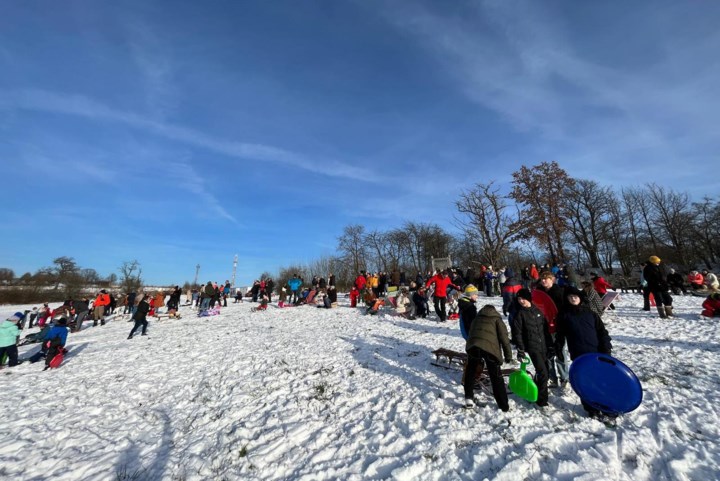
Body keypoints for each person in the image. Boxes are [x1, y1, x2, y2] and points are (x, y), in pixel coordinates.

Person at [555, 286, 612, 419]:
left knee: (600, 380)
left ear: (580, 297)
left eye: (575, 296)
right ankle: (591, 408)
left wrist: (606, 347)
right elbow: (560, 335)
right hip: (579, 354)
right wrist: (558, 348)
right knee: (585, 382)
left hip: (596, 352)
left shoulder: (590, 313)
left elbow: (602, 332)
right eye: (570, 297)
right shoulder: (564, 315)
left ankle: (604, 404)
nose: (573, 298)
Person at [463, 305, 513, 411]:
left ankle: (468, 398)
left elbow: (471, 333)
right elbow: (504, 339)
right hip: (489, 349)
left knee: (470, 371)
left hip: (474, 346)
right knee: (496, 376)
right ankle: (503, 404)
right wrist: (508, 356)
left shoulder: (477, 318)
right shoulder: (497, 319)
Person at [511, 288, 552, 407]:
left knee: (545, 373)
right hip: (532, 347)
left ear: (528, 298)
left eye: (523, 298)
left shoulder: (537, 311)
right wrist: (521, 349)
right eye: (519, 299)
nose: (521, 301)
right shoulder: (520, 314)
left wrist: (550, 345)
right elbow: (517, 333)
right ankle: (542, 401)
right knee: (542, 372)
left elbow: (545, 330)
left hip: (543, 346)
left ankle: (536, 390)